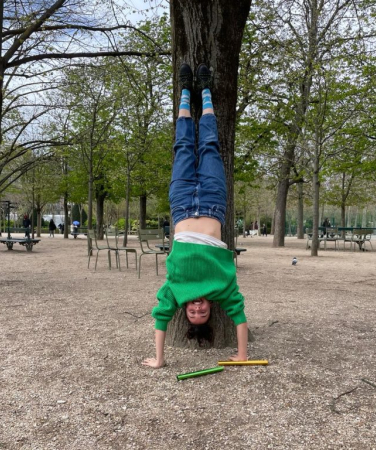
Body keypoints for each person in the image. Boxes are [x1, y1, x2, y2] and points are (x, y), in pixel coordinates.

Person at [142, 63, 248, 369]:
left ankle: (185, 91)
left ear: (186, 310)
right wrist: (241, 355)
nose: (198, 309)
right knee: (212, 148)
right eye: (202, 313)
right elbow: (239, 318)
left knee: (184, 148)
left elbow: (160, 319)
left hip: (182, 204)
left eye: (193, 313)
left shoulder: (174, 291)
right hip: (214, 202)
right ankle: (206, 91)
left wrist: (160, 360)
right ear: (210, 310)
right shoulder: (222, 289)